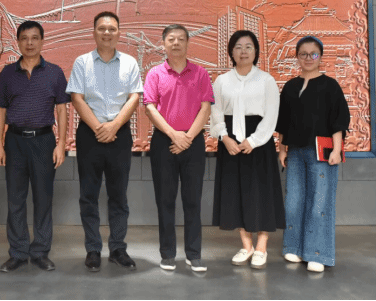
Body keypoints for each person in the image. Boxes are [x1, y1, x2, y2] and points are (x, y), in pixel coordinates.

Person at [66, 11, 144, 272]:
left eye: (112, 29)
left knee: (118, 195)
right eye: (102, 28)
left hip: (119, 134)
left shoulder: (130, 63)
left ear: (119, 33)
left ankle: (118, 249)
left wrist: (113, 127)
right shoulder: (82, 62)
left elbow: (134, 97)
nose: (107, 33)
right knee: (88, 195)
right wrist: (99, 128)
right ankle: (93, 249)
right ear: (94, 32)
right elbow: (77, 98)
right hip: (90, 134)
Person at [0, 21, 70, 273]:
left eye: (35, 38)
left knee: (43, 199)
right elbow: (0, 110)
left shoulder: (54, 72)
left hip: (44, 141)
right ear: (17, 42)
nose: (29, 43)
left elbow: (62, 109)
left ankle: (40, 252)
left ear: (42, 41)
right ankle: (17, 253)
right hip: (14, 141)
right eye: (24, 38)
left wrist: (61, 144)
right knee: (15, 200)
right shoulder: (7, 73)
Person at [210, 30, 285, 270]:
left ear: (256, 51)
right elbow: (215, 112)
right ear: (231, 52)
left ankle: (261, 247)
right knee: (236, 193)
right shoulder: (222, 81)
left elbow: (271, 115)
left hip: (259, 144)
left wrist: (253, 141)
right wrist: (224, 138)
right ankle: (246, 245)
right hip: (230, 142)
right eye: (238, 47)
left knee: (261, 192)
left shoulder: (266, 80)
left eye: (248, 46)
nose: (243, 51)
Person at [143, 25, 214, 273]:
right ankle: (167, 254)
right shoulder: (155, 74)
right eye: (171, 39)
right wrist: (174, 135)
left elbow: (206, 107)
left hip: (193, 142)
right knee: (165, 200)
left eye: (181, 39)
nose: (176, 43)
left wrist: (188, 137)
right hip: (164, 142)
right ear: (163, 44)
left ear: (187, 43)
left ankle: (194, 255)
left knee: (192, 200)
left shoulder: (200, 73)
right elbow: (150, 108)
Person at [277, 36, 350, 273]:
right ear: (297, 57)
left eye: (314, 54)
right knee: (294, 202)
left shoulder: (330, 86)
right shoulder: (290, 87)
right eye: (303, 54)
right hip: (295, 151)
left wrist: (337, 150)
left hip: (323, 151)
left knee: (320, 203)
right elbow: (283, 123)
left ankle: (318, 253)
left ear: (321, 57)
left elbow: (338, 121)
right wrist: (282, 150)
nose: (308, 58)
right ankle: (294, 248)